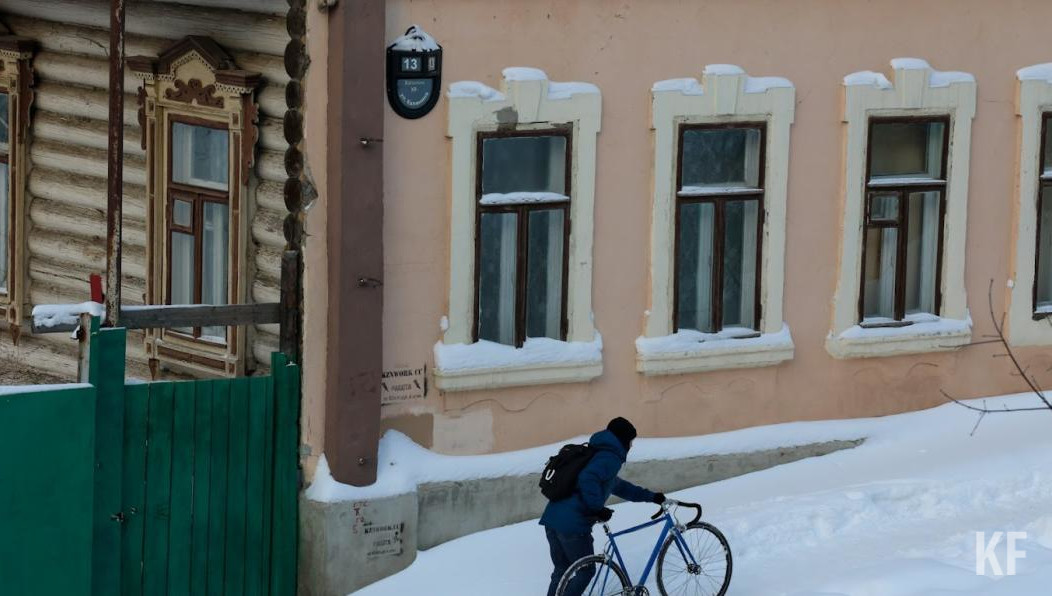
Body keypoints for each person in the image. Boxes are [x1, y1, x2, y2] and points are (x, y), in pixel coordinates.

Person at [540, 417, 666, 596]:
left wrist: (652, 497)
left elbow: (619, 486)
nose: (631, 445)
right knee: (585, 571)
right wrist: (596, 508)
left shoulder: (596, 452)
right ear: (623, 440)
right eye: (630, 441)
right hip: (573, 526)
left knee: (562, 570)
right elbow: (587, 479)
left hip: (552, 519)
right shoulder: (610, 457)